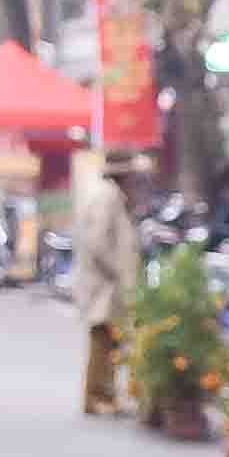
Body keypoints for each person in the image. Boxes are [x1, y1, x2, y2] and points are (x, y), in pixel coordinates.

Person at [71, 152, 145, 413]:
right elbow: (97, 241)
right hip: (103, 282)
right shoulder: (108, 196)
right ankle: (95, 397)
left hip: (107, 282)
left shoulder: (112, 195)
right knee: (101, 340)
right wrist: (117, 270)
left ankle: (106, 396)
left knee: (110, 340)